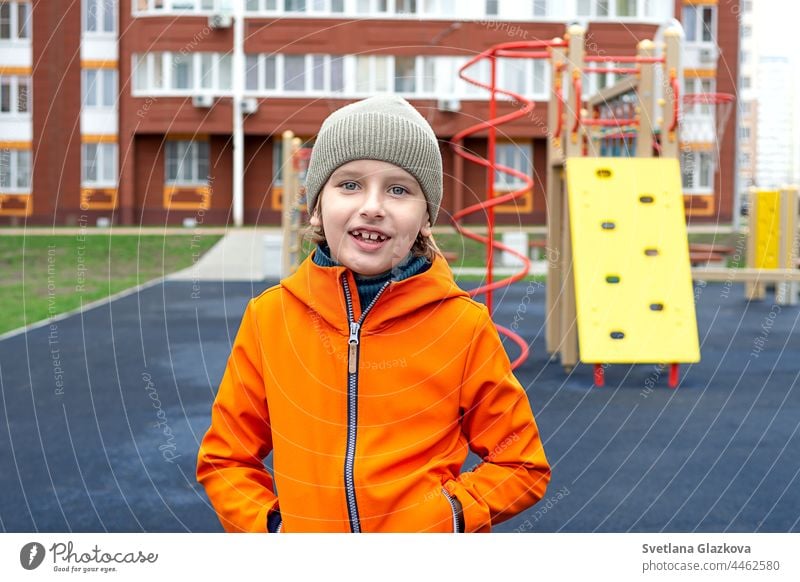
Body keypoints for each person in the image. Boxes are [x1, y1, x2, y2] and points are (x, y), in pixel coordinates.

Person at [196, 95, 550, 533]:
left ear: (425, 217)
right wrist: (272, 529)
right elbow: (225, 459)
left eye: (399, 190)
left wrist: (448, 517)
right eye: (349, 185)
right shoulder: (270, 318)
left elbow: (522, 464)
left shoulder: (462, 326)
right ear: (318, 205)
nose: (373, 206)